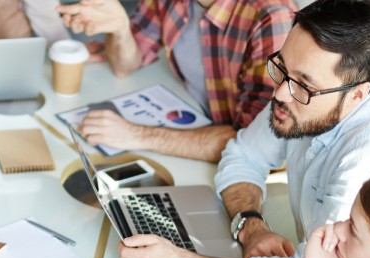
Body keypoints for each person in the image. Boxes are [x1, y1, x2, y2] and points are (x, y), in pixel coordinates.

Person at [119, 0, 370, 258]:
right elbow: (243, 155)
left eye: (303, 85)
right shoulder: (305, 90)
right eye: (281, 67)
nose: (279, 93)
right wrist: (251, 227)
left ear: (356, 96)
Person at [57, 0, 296, 162]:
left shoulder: (272, 15)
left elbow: (254, 143)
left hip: (239, 164)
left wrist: (135, 134)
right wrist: (120, 30)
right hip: (195, 122)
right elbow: (125, 65)